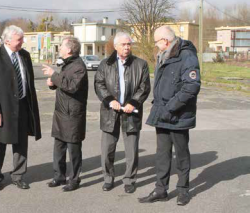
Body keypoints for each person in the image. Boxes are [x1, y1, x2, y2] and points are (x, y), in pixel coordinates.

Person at [139, 25, 201, 206]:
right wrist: (161, 109)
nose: (156, 45)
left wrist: (170, 107)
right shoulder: (163, 56)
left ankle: (183, 191)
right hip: (163, 114)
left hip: (178, 115)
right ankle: (161, 190)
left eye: (157, 41)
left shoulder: (187, 56)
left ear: (165, 41)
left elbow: (191, 87)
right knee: (162, 155)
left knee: (181, 155)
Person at [0, 25, 41, 191]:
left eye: (22, 39)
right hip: (2, 109)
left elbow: (28, 82)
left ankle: (18, 175)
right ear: (7, 40)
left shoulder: (24, 55)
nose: (22, 42)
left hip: (22, 106)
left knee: (21, 144)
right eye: (19, 40)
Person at [94, 32, 151, 194]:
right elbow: (99, 84)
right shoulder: (105, 64)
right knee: (107, 149)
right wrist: (109, 100)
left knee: (131, 150)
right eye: (124, 44)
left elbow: (144, 87)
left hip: (130, 112)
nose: (127, 47)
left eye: (129, 44)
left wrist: (133, 103)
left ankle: (129, 180)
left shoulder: (141, 64)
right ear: (116, 46)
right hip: (110, 111)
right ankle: (108, 178)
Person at [42, 36, 88, 192]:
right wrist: (52, 83)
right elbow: (63, 84)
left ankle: (74, 179)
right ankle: (59, 176)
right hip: (61, 112)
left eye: (61, 46)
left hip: (73, 115)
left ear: (69, 49)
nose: (59, 48)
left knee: (73, 149)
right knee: (59, 147)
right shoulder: (68, 65)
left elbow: (72, 87)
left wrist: (53, 75)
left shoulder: (79, 66)